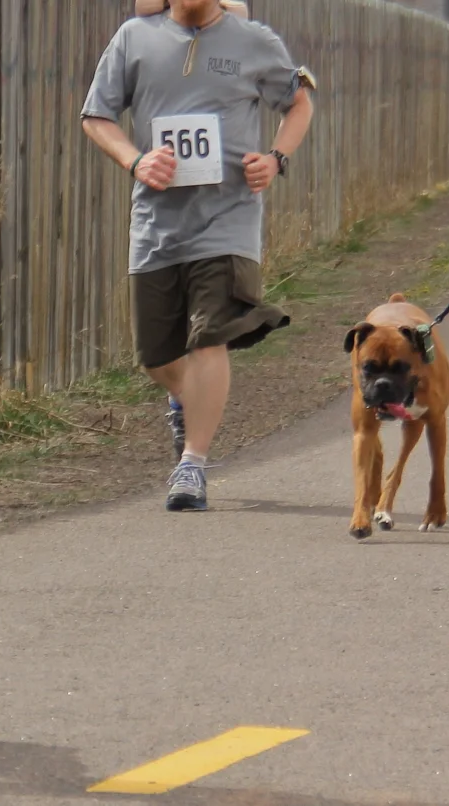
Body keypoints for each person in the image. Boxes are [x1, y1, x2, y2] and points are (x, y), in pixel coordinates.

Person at [80, 0, 312, 512]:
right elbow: (96, 116)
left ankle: (192, 465)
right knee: (156, 355)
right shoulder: (134, 38)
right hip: (157, 223)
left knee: (210, 338)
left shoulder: (253, 40)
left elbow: (299, 102)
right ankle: (188, 403)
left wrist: (275, 159)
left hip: (228, 221)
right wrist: (135, 160)